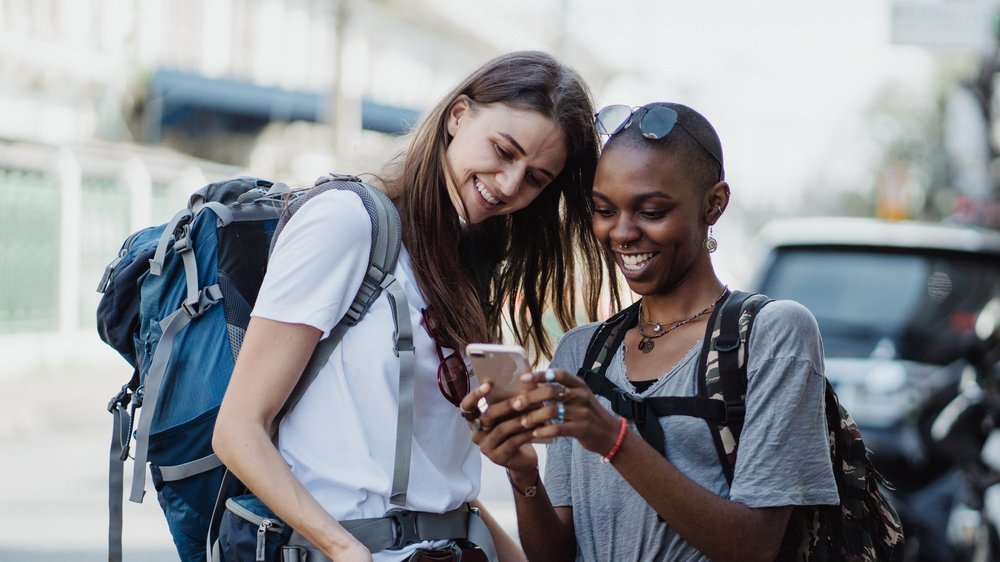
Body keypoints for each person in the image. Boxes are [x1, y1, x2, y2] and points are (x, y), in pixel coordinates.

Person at [211, 51, 619, 562]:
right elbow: (238, 430)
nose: (510, 184)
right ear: (458, 116)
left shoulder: (461, 265)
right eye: (503, 150)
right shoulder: (347, 222)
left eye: (536, 178)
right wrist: (344, 550)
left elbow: (438, 485)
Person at [464, 102, 839, 561]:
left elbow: (753, 546)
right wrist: (523, 475)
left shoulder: (770, 333)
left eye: (652, 211)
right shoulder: (582, 352)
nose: (622, 233)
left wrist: (614, 439)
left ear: (714, 204)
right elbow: (555, 556)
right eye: (604, 210)